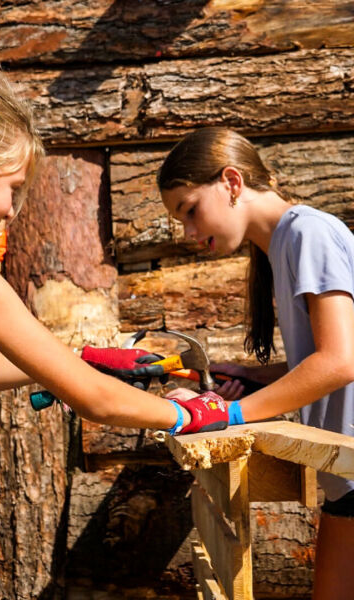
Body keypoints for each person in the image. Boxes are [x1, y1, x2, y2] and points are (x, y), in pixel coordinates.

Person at [0, 69, 231, 595]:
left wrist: (74, 357)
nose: (11, 212)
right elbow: (96, 403)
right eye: (11, 190)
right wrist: (192, 411)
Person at [156, 126, 354, 600]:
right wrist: (251, 378)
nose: (187, 232)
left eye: (189, 210)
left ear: (231, 182)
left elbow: (341, 362)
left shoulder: (308, 231)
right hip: (345, 484)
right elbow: (321, 364)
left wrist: (229, 414)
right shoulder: (281, 245)